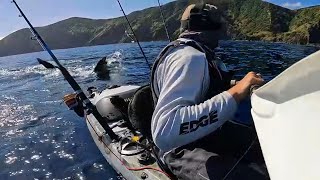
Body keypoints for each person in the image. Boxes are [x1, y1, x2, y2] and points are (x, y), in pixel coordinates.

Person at [150, 3, 268, 180]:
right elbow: (165, 132)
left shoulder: (191, 53)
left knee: (265, 144)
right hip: (179, 149)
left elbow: (209, 86)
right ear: (208, 26)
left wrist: (240, 84)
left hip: (208, 134)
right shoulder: (190, 58)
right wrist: (236, 92)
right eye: (218, 25)